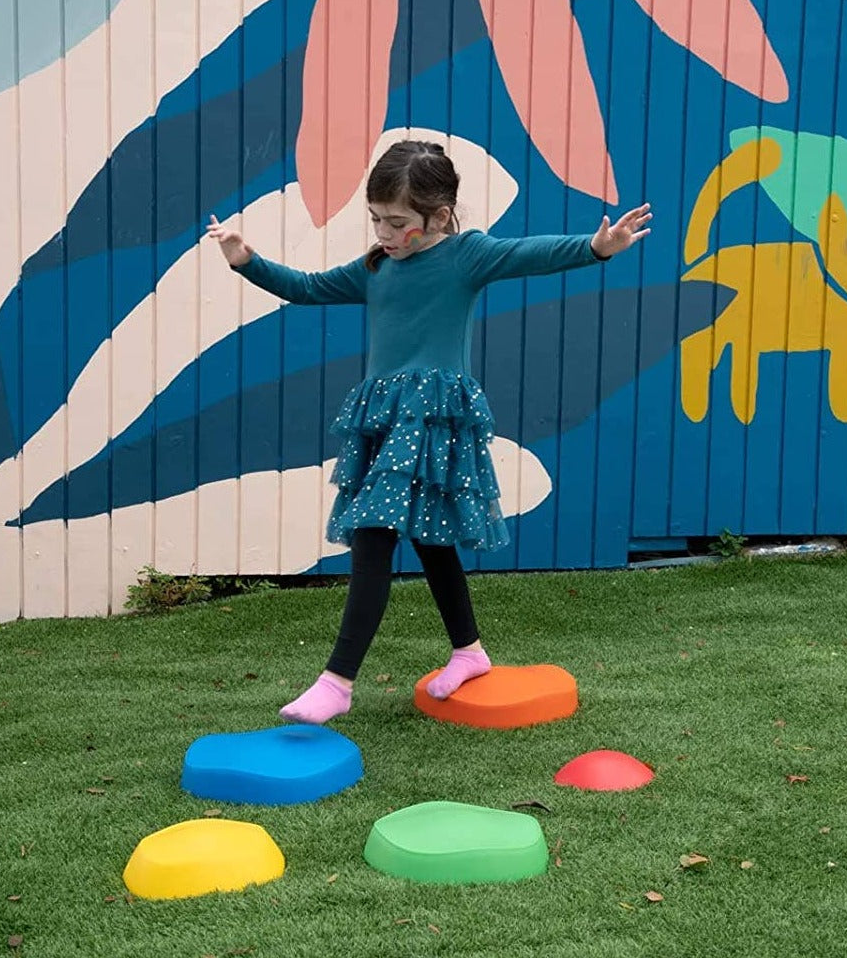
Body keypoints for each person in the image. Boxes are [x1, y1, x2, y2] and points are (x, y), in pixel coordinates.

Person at [207, 140, 651, 724]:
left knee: (373, 536)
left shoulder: (466, 256)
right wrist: (246, 260)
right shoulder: (377, 268)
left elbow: (530, 253)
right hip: (385, 421)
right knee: (433, 542)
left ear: (438, 217)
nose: (385, 233)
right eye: (376, 220)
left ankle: (337, 682)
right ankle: (469, 651)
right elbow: (307, 288)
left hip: (433, 421)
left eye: (397, 222)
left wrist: (596, 247)